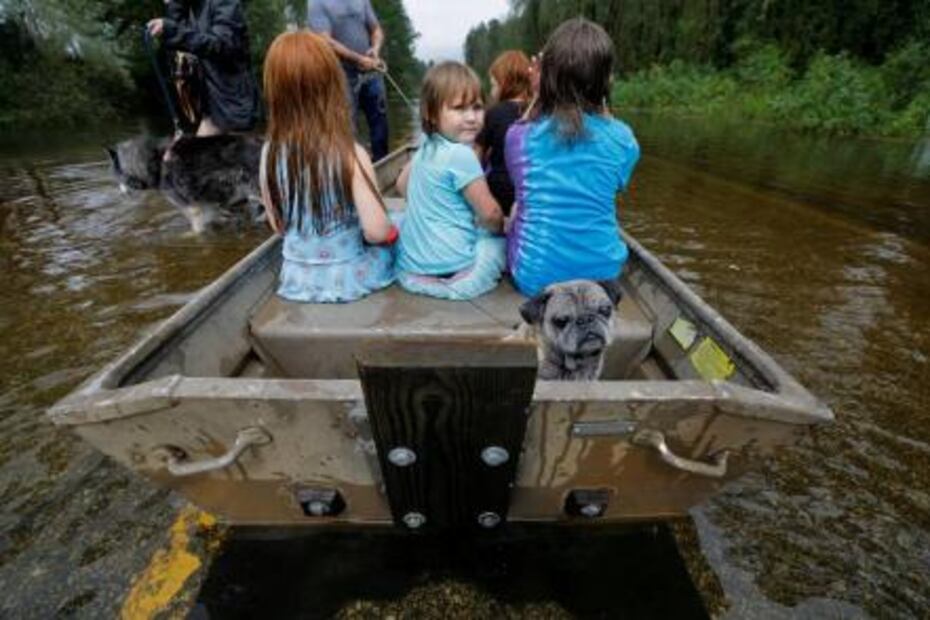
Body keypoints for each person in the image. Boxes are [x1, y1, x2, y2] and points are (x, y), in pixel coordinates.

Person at [259, 31, 398, 303]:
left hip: (295, 279)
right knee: (398, 228)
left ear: (274, 92)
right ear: (333, 87)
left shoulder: (268, 154)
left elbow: (278, 225)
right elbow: (377, 231)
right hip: (348, 278)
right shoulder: (351, 154)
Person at [505, 18, 640, 297]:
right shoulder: (625, 140)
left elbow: (523, 192)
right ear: (607, 81)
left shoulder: (517, 137)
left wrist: (540, 92)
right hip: (603, 278)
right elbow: (616, 185)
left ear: (545, 77)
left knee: (519, 209)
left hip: (534, 280)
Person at [395, 61, 506, 301]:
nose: (471, 117)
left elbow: (402, 186)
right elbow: (490, 214)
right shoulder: (462, 155)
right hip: (458, 277)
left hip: (412, 274)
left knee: (401, 220)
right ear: (431, 114)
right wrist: (503, 226)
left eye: (477, 107)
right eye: (459, 108)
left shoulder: (425, 148)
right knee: (495, 242)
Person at [147, 0, 260, 136]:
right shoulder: (192, 7)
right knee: (191, 155)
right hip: (210, 109)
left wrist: (173, 30)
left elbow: (220, 45)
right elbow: (179, 46)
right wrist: (175, 6)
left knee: (229, 155)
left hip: (233, 110)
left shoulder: (226, 3)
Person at [308, 0, 389, 162]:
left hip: (370, 71)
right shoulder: (316, 3)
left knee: (380, 122)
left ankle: (383, 164)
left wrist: (375, 48)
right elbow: (325, 41)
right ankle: (352, 171)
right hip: (341, 74)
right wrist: (358, 58)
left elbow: (376, 29)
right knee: (347, 126)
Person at [475, 50, 532, 215]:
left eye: (493, 85)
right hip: (529, 195)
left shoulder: (494, 113)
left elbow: (476, 157)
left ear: (505, 83)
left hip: (500, 197)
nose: (492, 91)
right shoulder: (537, 112)